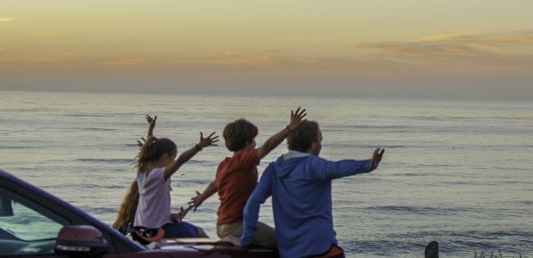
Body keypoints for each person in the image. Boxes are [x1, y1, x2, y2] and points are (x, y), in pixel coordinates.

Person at [240, 118, 385, 257]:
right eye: (320, 140)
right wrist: (368, 165)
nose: (321, 145)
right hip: (321, 249)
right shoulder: (312, 165)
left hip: (289, 252)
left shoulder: (274, 169)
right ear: (313, 144)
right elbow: (338, 168)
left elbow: (252, 202)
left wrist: (247, 238)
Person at [184, 105, 307, 246]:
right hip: (236, 227)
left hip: (223, 225)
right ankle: (233, 240)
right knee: (286, 240)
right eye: (254, 140)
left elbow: (214, 185)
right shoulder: (243, 161)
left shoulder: (225, 165)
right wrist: (289, 129)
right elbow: (267, 146)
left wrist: (201, 198)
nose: (255, 144)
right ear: (247, 142)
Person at [130, 114, 220, 242]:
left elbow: (147, 148)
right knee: (201, 234)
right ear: (166, 157)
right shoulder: (159, 175)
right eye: (173, 157)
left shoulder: (142, 173)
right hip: (156, 230)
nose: (173, 161)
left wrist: (173, 217)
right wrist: (199, 146)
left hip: (141, 229)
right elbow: (181, 161)